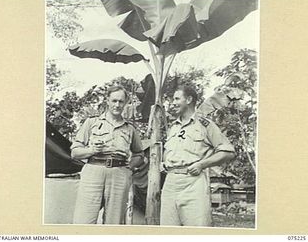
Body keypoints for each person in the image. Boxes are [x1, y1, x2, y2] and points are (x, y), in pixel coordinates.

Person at [161, 85, 235, 226]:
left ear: (189, 99)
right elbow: (169, 152)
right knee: (168, 230)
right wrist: (165, 163)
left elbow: (228, 152)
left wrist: (202, 164)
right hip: (170, 183)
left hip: (193, 183)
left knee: (197, 230)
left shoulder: (205, 125)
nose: (173, 102)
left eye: (177, 99)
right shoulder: (173, 127)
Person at [71, 85, 144, 224]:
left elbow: (139, 154)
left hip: (119, 175)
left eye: (121, 101)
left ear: (125, 103)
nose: (117, 105)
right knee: (83, 221)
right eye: (114, 100)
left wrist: (129, 168)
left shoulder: (130, 129)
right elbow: (75, 152)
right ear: (107, 101)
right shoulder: (92, 122)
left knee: (113, 223)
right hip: (93, 172)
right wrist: (92, 151)